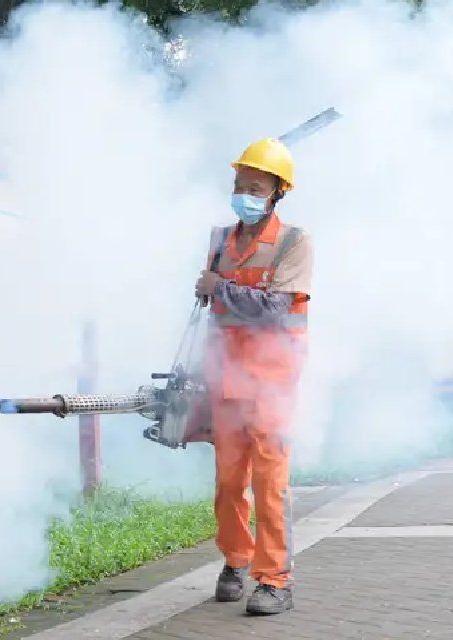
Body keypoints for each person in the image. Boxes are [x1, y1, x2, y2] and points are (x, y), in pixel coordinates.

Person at [194, 137, 312, 616]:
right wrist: (210, 289)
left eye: (255, 187)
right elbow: (211, 304)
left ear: (277, 192)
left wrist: (218, 286)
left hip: (272, 383)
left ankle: (274, 580)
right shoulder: (220, 240)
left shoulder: (293, 243)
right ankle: (235, 561)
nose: (244, 193)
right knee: (227, 483)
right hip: (225, 379)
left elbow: (273, 310)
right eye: (239, 184)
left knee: (269, 483)